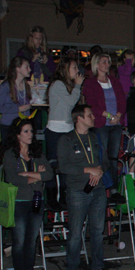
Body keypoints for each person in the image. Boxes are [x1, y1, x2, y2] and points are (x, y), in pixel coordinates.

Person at [57, 105, 111, 270]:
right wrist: (88, 170)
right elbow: (63, 166)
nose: (93, 117)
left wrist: (100, 171)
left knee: (97, 229)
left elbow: (105, 161)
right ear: (79, 118)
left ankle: (97, 265)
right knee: (75, 231)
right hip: (78, 190)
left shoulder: (94, 137)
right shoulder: (66, 140)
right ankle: (72, 268)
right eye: (89, 115)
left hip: (97, 189)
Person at [3, 117, 53, 270]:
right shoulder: (11, 154)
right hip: (19, 201)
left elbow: (49, 174)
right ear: (17, 135)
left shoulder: (37, 153)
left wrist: (27, 174)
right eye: (26, 131)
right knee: (19, 240)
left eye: (31, 131)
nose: (30, 134)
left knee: (31, 239)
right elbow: (13, 178)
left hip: (36, 200)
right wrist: (37, 175)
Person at [82, 53, 126, 199]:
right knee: (102, 157)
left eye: (108, 62)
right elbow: (92, 104)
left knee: (113, 157)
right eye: (104, 62)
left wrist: (118, 116)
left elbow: (122, 100)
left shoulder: (114, 81)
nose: (107, 64)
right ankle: (102, 187)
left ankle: (113, 189)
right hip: (102, 124)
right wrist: (109, 116)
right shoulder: (90, 83)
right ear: (97, 64)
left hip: (115, 124)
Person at [44, 57, 84, 209]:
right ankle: (52, 197)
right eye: (74, 68)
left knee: (66, 164)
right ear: (65, 69)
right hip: (55, 129)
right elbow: (70, 101)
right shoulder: (58, 84)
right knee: (53, 164)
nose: (77, 71)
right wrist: (78, 87)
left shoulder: (68, 86)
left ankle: (65, 196)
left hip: (67, 129)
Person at [0, 56, 33, 142]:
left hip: (22, 126)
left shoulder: (26, 85)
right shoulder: (5, 86)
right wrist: (18, 109)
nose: (29, 70)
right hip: (9, 125)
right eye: (26, 67)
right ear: (18, 69)